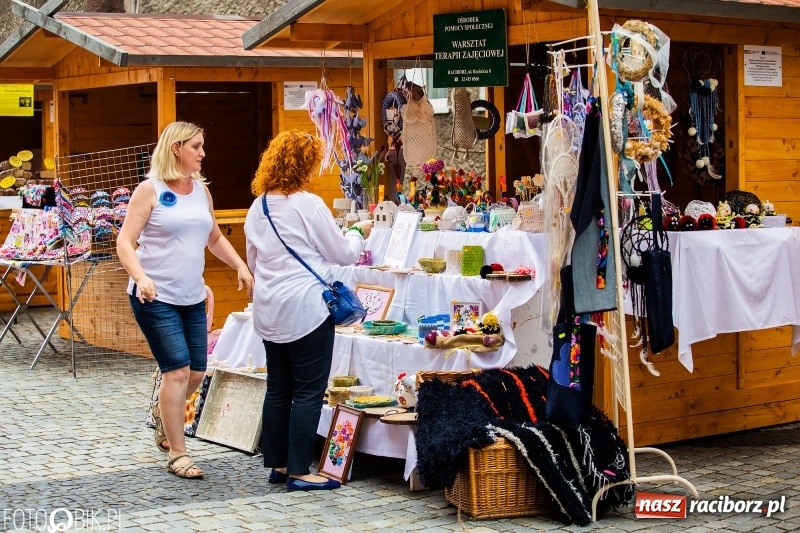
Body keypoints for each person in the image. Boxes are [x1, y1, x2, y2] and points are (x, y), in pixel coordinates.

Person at [118, 121, 254, 479]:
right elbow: (124, 242)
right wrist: (141, 277)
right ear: (176, 148)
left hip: (192, 296)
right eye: (196, 146)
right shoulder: (149, 190)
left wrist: (240, 265)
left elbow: (214, 238)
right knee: (177, 370)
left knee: (195, 372)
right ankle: (178, 453)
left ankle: (164, 413)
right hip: (154, 297)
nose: (203, 153)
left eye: (202, 146)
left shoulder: (201, 191)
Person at [244, 130, 373, 491]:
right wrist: (357, 233)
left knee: (278, 388)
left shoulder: (258, 207)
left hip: (270, 309)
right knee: (307, 391)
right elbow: (342, 253)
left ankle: (280, 465)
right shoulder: (308, 204)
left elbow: (253, 261)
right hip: (306, 308)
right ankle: (300, 471)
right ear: (305, 165)